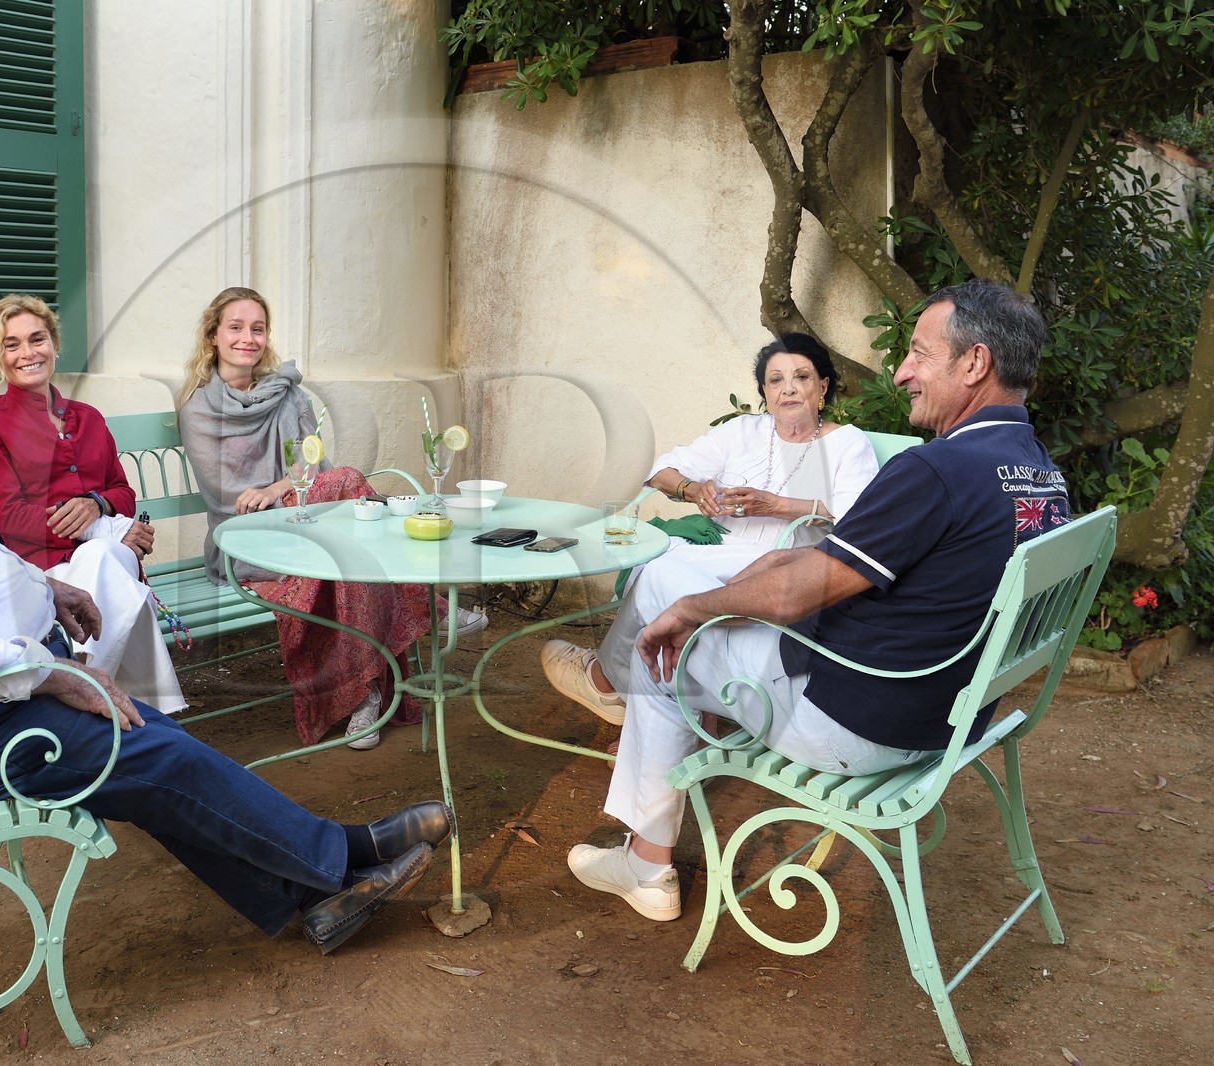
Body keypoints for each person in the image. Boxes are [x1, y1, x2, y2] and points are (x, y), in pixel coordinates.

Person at [0, 254, 455, 954]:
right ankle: (342, 857)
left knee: (154, 754)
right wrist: (51, 673)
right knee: (154, 755)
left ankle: (319, 892)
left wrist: (43, 587)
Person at [565, 279, 1072, 922]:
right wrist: (749, 576)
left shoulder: (938, 470)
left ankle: (645, 864)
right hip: (946, 717)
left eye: (919, 353)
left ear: (975, 363)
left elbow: (792, 596)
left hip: (857, 723)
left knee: (665, 638)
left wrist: (693, 610)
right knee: (676, 613)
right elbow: (827, 562)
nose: (901, 372)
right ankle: (639, 728)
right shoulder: (1041, 473)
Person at [175, 286, 486, 750]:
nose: (248, 338)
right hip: (247, 540)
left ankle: (367, 698)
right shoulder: (199, 409)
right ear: (212, 337)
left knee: (348, 563)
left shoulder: (287, 396)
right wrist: (284, 490)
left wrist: (281, 487)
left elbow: (312, 466)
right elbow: (229, 497)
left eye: (257, 329)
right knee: (348, 487)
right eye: (235, 328)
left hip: (310, 525)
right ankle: (429, 607)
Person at [541, 334, 879, 740]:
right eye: (775, 380)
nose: (788, 389)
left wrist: (776, 505)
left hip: (784, 564)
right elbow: (661, 471)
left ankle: (609, 681)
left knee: (659, 574)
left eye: (801, 377)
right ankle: (684, 711)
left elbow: (857, 516)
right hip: (719, 547)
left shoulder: (847, 443)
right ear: (764, 393)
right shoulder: (744, 432)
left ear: (822, 386)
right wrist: (692, 489)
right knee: (653, 563)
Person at [0, 295, 185, 713]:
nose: (28, 353)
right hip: (43, 569)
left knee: (104, 556)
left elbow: (122, 492)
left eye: (37, 339)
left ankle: (78, 690)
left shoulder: (88, 417)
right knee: (107, 557)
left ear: (54, 344)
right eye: (12, 345)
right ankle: (149, 710)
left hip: (103, 563)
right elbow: (11, 518)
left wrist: (97, 504)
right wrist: (103, 528)